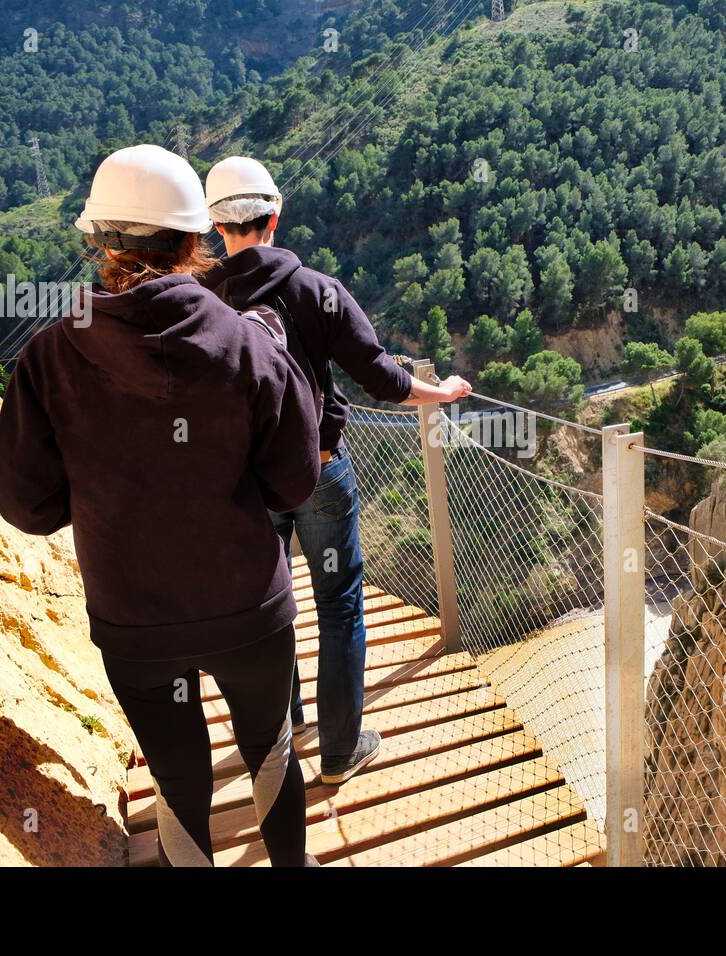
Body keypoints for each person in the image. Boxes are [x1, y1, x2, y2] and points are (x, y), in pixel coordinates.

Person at [0, 144, 320, 867]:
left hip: (135, 623)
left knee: (176, 781)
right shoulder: (250, 344)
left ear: (99, 242)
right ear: (194, 239)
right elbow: (293, 484)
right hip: (250, 609)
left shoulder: (50, 357)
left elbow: (29, 506)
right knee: (270, 752)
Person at [201, 156, 472, 785]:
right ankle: (341, 752)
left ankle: (287, 721)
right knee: (340, 606)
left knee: (270, 605)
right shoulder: (316, 289)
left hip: (247, 482)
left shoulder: (203, 299)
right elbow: (382, 378)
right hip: (319, 470)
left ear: (217, 226)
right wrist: (443, 393)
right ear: (275, 217)